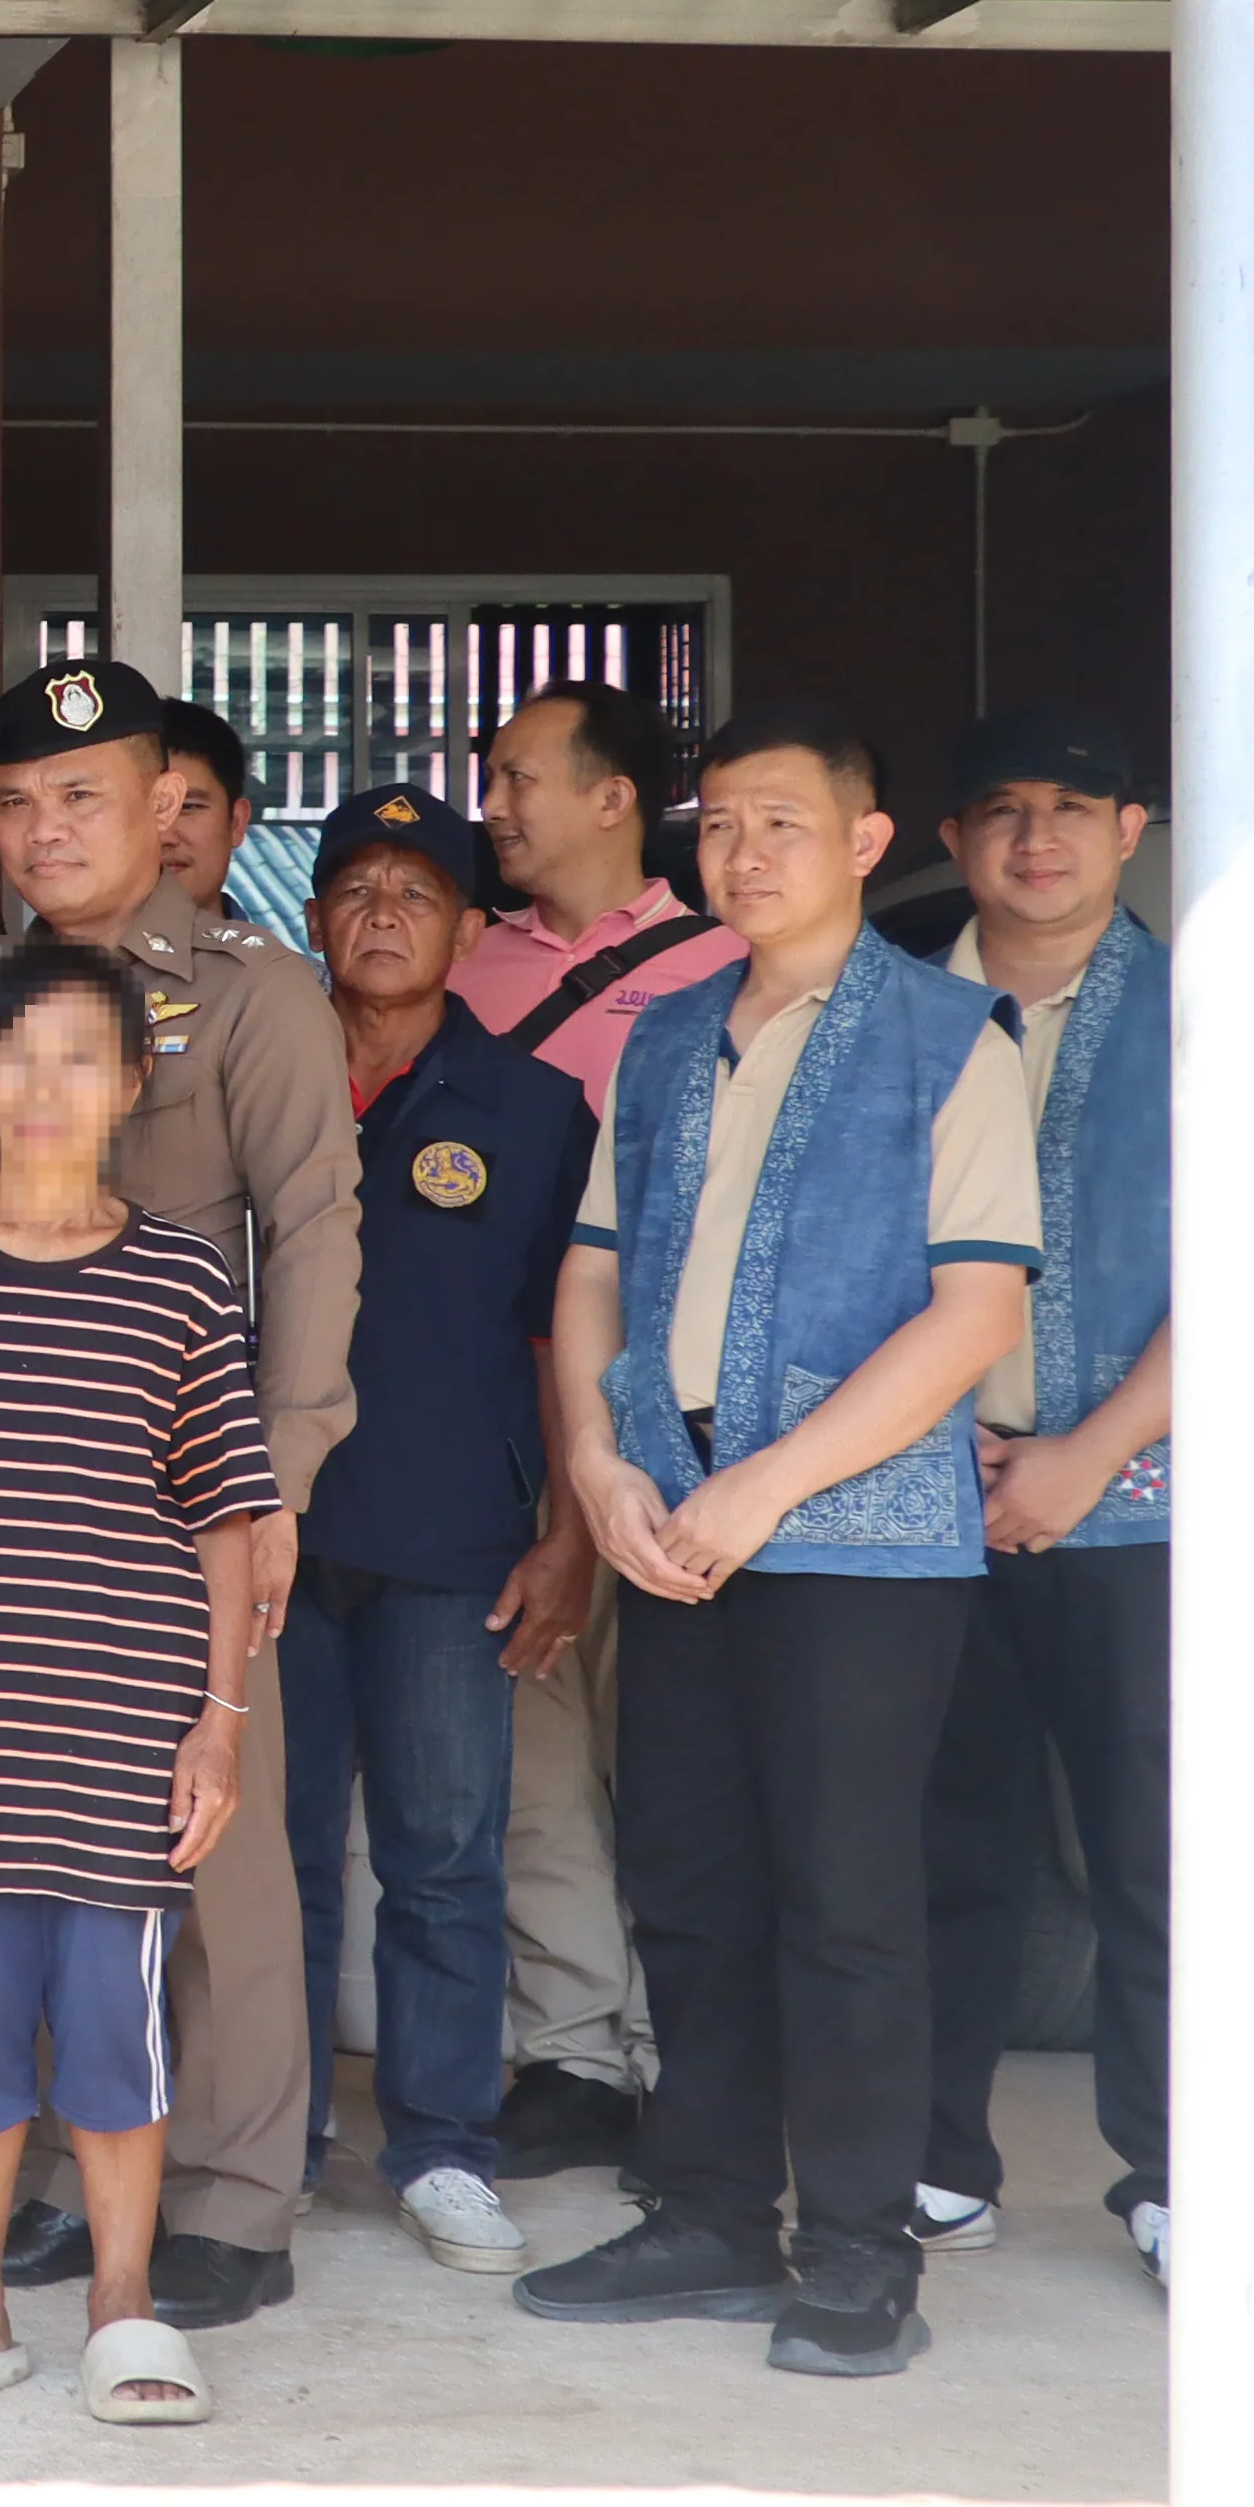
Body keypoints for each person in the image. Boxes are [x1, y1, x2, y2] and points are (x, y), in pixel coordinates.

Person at [518, 711, 1033, 2380]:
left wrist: (769, 1486)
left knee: (849, 1905)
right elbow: (591, 1263)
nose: (743, 854)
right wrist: (598, 1460)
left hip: (859, 1542)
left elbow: (973, 1315)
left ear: (871, 841)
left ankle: (862, 2247)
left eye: (784, 824)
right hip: (673, 1518)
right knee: (694, 1883)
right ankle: (714, 2213)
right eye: (722, 824)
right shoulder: (666, 1037)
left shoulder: (955, 1036)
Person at [0, 942, 279, 2432]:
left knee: (112, 2036)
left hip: (117, 1735)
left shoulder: (180, 1280)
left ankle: (124, 2310)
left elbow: (224, 1517)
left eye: (82, 1057)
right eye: (16, 1054)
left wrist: (219, 1724)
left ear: (131, 1086)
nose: (44, 1087)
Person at [0, 655, 354, 2338]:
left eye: (84, 797)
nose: (48, 829)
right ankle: (63, 2174)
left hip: (191, 1494)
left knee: (216, 1854)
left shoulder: (252, 994)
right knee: (35, 1844)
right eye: (20, 805)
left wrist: (279, 1478)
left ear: (159, 810)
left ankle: (238, 2198)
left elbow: (318, 1228)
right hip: (13, 1498)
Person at [290, 788, 597, 2275]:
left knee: (443, 1858)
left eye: (420, 892)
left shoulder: (533, 1111)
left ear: (474, 931)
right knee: (265, 1860)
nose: (386, 913)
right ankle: (262, 2143)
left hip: (452, 1542)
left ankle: (441, 2148)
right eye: (357, 888)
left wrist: (571, 1536)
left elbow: (571, 1342)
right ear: (313, 920)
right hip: (268, 1538)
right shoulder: (262, 1088)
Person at [453, 677, 740, 2181]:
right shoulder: (467, 965)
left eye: (518, 776)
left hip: (700, 1439)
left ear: (614, 795)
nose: (493, 803)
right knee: (539, 1740)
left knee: (690, 1760)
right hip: (513, 1414)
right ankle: (576, 2055)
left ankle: (698, 2062)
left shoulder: (727, 968)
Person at [916, 708, 1174, 2276]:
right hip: (924, 1493)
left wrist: (1084, 1455)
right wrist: (946, 1448)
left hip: (1143, 1497)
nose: (1037, 840)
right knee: (944, 1836)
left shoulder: (1217, 1008)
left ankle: (1172, 2173)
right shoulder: (882, 1012)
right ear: (950, 839)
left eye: (1073, 807)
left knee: (1159, 1847)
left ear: (1130, 826)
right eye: (1001, 809)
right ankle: (940, 2156)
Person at [151, 701, 258, 931]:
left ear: (236, 823)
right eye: (145, 809)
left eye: (188, 807)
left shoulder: (284, 968)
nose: (165, 835)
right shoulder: (64, 966)